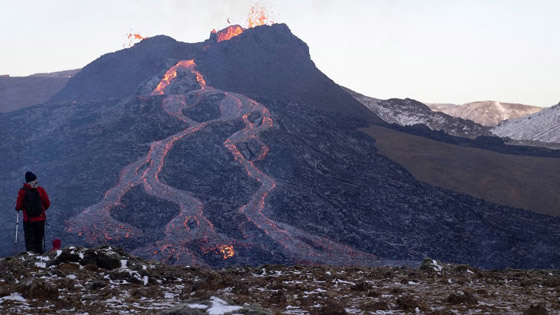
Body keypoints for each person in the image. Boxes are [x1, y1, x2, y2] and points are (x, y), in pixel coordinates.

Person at [15, 171, 50, 254]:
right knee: (39, 240)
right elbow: (47, 203)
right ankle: (40, 259)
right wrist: (41, 211)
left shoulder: (22, 191)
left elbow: (19, 206)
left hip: (28, 221)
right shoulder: (40, 189)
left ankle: (31, 259)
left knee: (30, 241)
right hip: (40, 219)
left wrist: (17, 208)